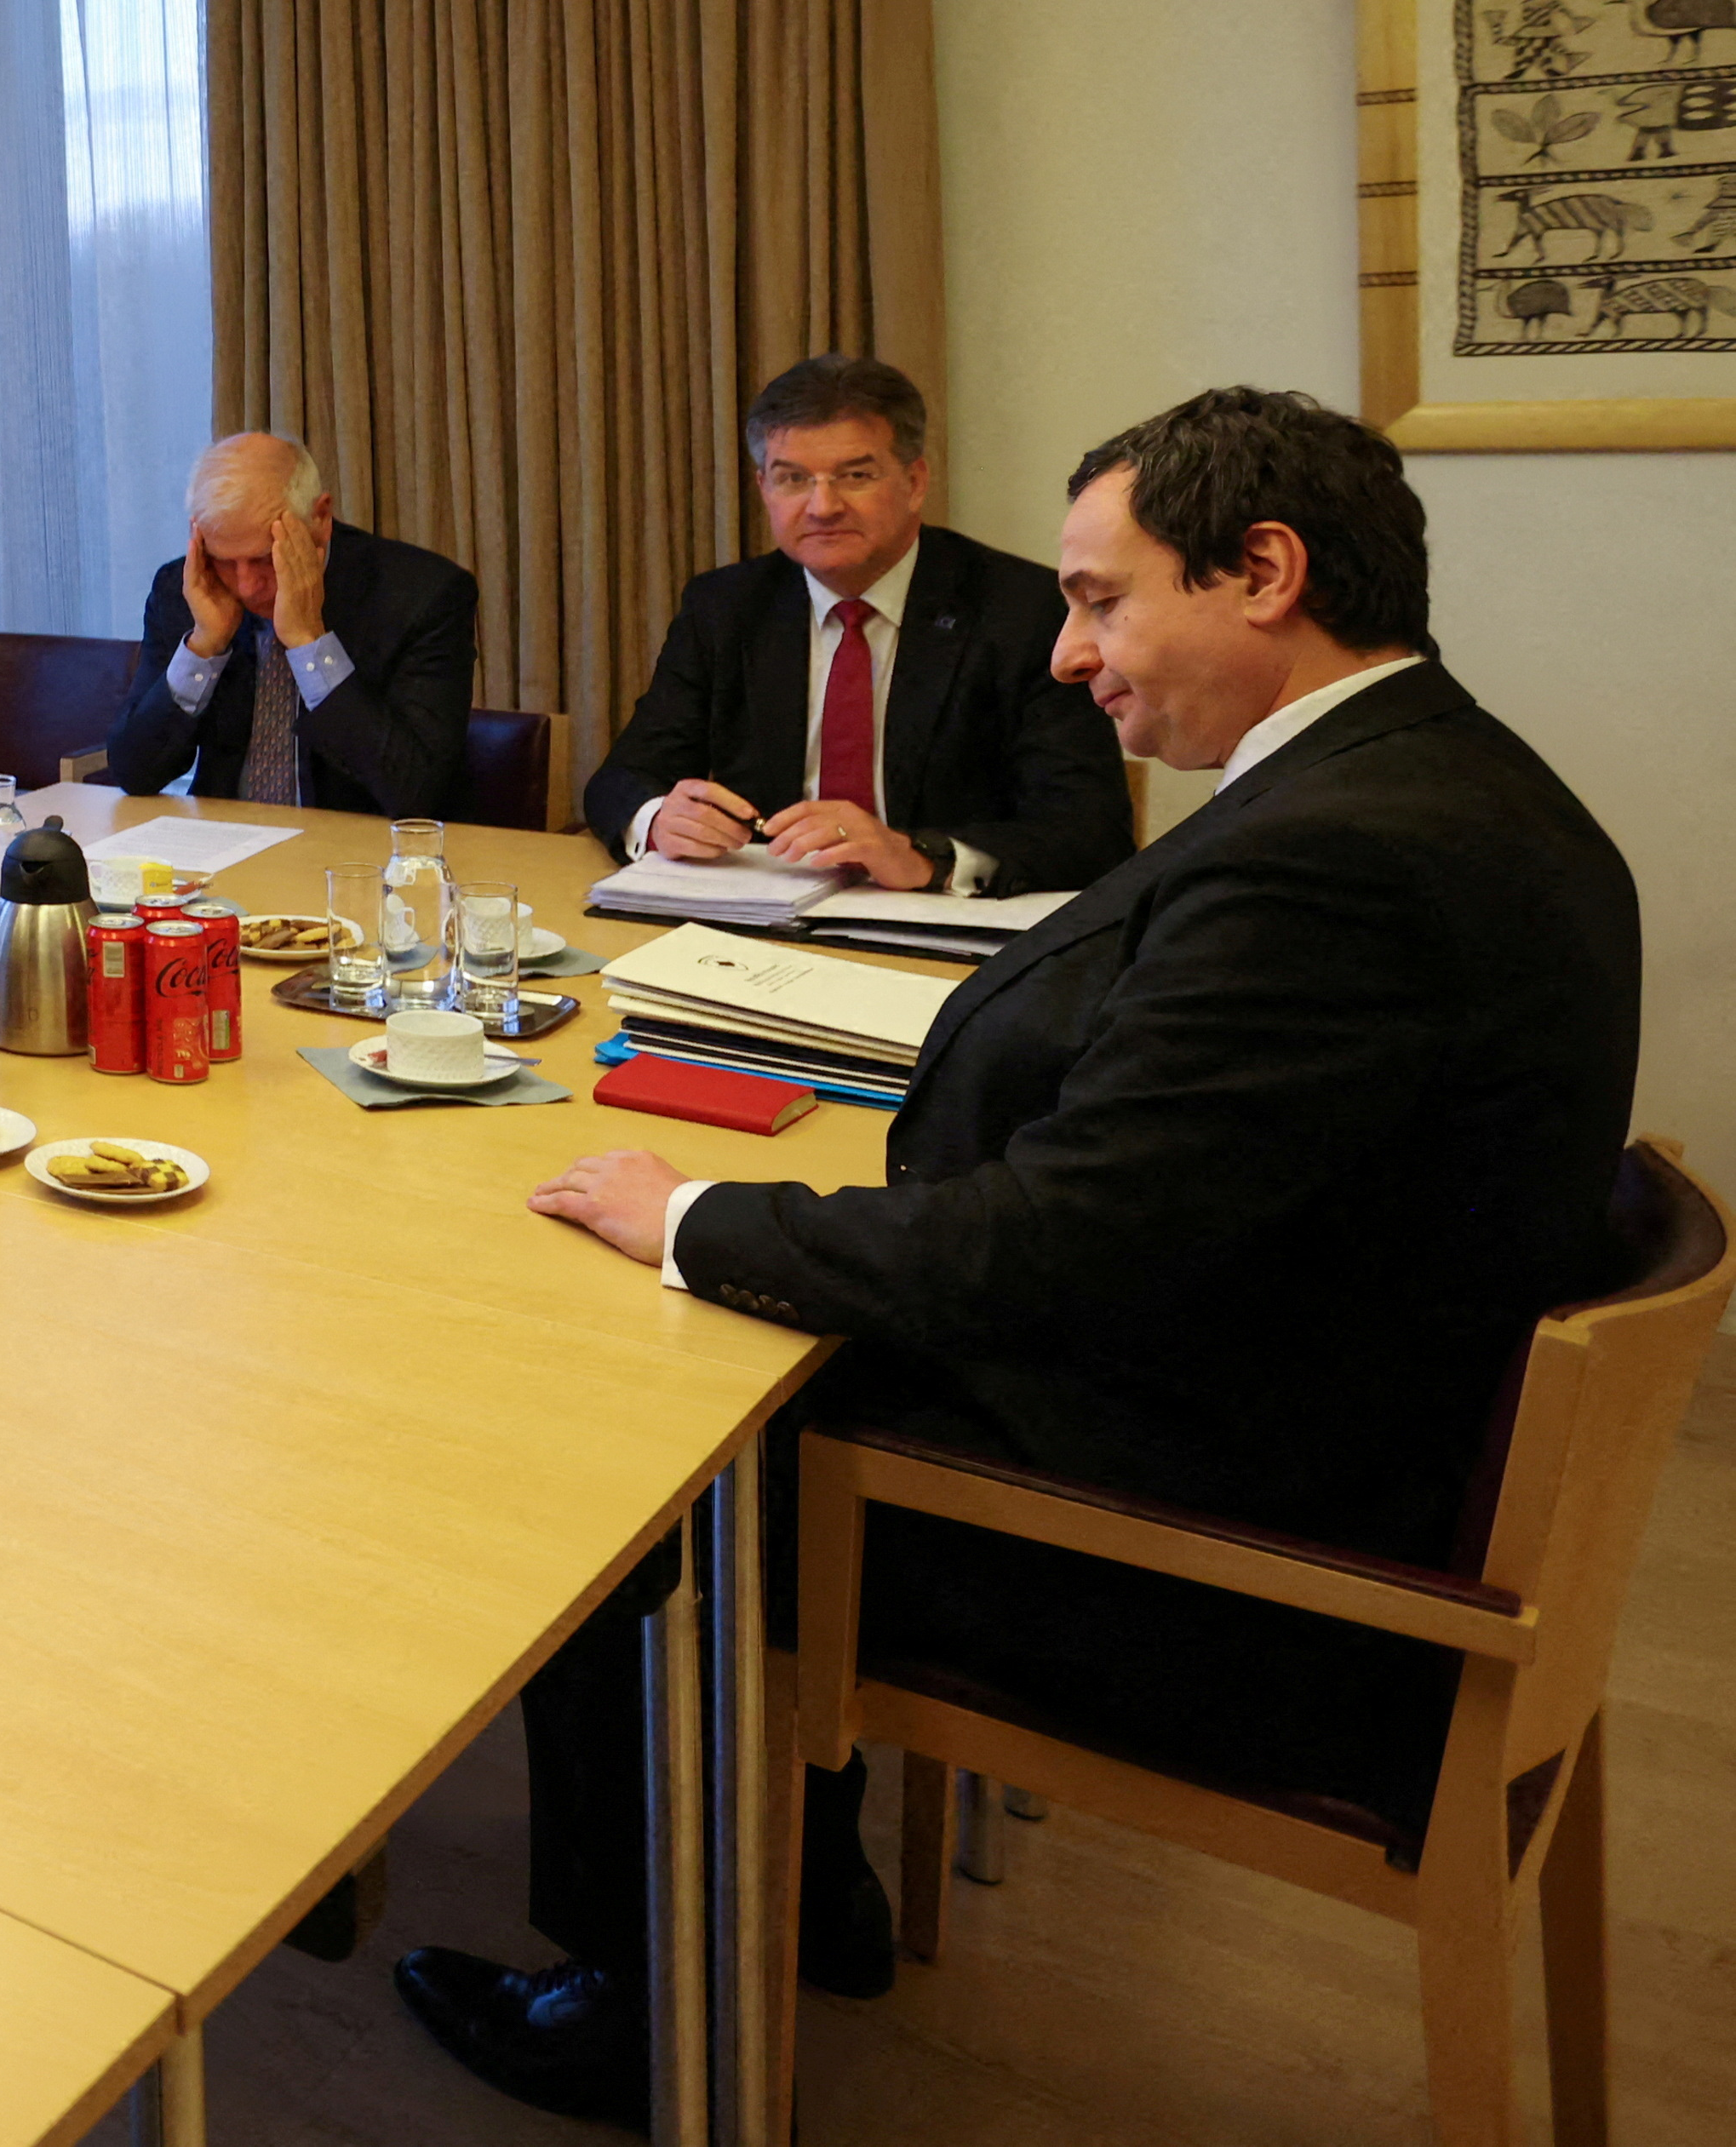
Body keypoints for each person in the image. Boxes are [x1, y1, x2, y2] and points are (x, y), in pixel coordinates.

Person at [398, 388, 1640, 2126]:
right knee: (742, 1384)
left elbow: (1054, 1240)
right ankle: (795, 1884)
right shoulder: (1412, 774)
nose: (1066, 653)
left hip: (1242, 1571)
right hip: (1314, 1413)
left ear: (1263, 571)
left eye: (1100, 598)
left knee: (640, 1474)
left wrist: (688, 1213)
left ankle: (641, 1993)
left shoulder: (1345, 859)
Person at [582, 353, 1131, 898]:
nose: (823, 506)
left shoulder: (1023, 609)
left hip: (938, 924)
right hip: (758, 925)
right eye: (792, 479)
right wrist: (656, 819)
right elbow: (622, 779)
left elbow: (1090, 831)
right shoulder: (725, 607)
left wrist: (920, 857)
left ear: (915, 481)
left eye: (856, 476)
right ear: (764, 488)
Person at [99, 432, 476, 815]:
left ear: (321, 517)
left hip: (356, 856)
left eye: (264, 558)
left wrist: (309, 642)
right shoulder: (185, 590)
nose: (246, 586)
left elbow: (417, 794)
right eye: (225, 561)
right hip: (224, 847)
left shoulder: (423, 595)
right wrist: (203, 647)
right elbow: (135, 773)